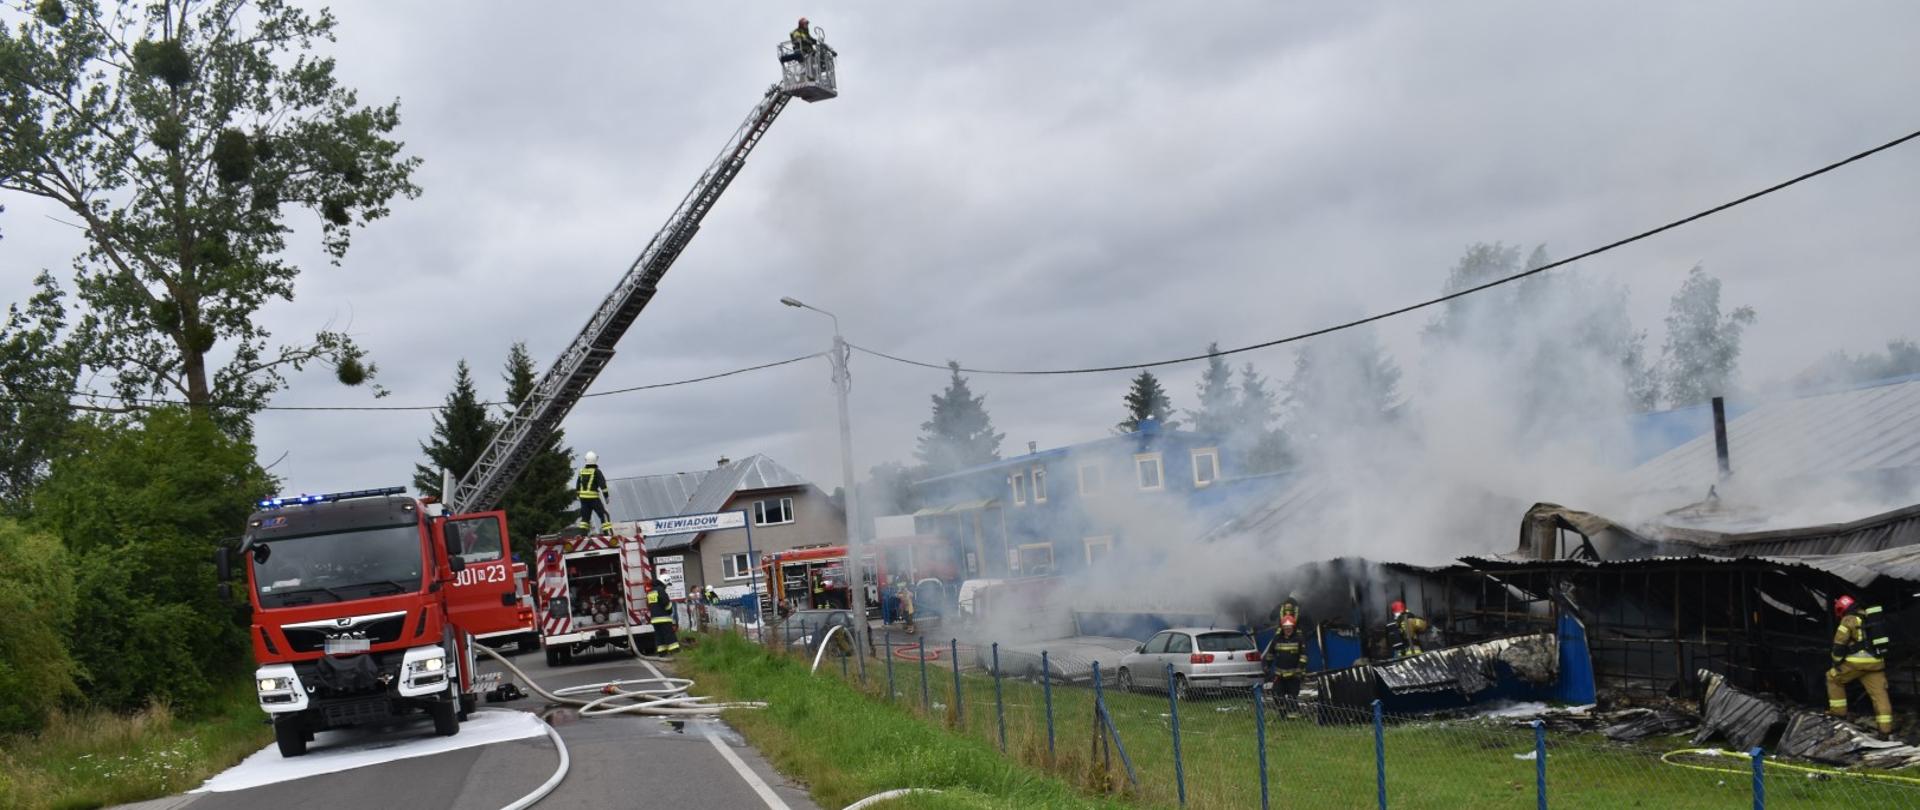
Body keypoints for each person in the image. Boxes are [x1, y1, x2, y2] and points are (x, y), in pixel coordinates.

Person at [1826, 594, 1894, 736]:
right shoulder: (1872, 618)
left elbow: (1839, 644)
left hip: (1856, 664)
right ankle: (1885, 731)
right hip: (1876, 664)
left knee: (1832, 677)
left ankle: (1839, 714)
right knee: (1879, 695)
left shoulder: (1848, 620)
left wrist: (1836, 662)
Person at [1266, 615, 1307, 717]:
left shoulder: (1299, 639)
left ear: (1293, 627)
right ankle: (1283, 714)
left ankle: (1294, 715)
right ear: (1282, 628)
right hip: (1280, 675)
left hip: (1294, 674)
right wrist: (1267, 666)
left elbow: (1304, 656)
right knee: (1276, 694)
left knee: (1292, 696)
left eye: (1290, 628)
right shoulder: (1277, 639)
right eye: (1286, 628)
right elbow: (1270, 654)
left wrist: (1299, 668)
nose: (1288, 629)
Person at [574, 451, 613, 536]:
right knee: (603, 515)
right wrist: (606, 497)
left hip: (583, 500)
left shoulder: (581, 471)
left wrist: (578, 495)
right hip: (594, 499)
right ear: (595, 460)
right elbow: (603, 485)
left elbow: (577, 485)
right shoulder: (597, 471)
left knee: (585, 519)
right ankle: (607, 533)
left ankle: (583, 535)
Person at [647, 575, 680, 655]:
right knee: (669, 634)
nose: (666, 587)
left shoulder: (650, 592)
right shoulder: (661, 590)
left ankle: (662, 652)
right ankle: (675, 651)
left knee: (659, 636)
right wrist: (670, 610)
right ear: (664, 582)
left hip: (654, 619)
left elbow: (649, 605)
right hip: (664, 618)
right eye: (667, 585)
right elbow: (666, 604)